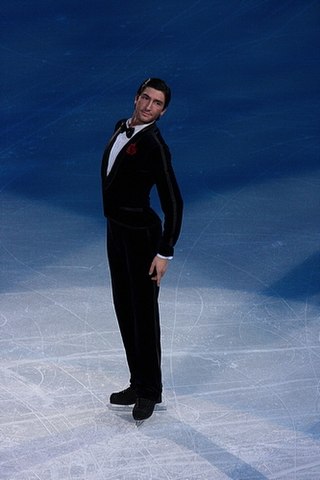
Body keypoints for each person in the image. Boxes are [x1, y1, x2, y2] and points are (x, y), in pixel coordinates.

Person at [101, 78, 183, 422]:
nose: (148, 106)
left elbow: (174, 203)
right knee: (125, 309)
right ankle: (138, 381)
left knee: (144, 317)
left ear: (163, 112)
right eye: (145, 98)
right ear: (136, 98)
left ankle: (151, 391)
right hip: (116, 234)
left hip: (142, 239)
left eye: (157, 103)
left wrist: (164, 252)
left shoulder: (154, 146)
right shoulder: (122, 127)